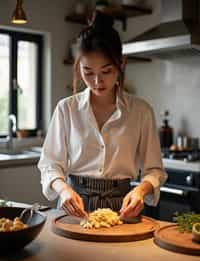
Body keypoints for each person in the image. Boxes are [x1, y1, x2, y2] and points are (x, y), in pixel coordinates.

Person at [38, 11, 167, 220]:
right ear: (79, 66)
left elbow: (154, 170)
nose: (97, 81)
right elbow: (50, 164)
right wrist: (64, 190)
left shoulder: (141, 111)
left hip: (123, 209)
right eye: (88, 72)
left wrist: (141, 191)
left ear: (121, 64)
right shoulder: (66, 109)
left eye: (106, 71)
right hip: (74, 207)